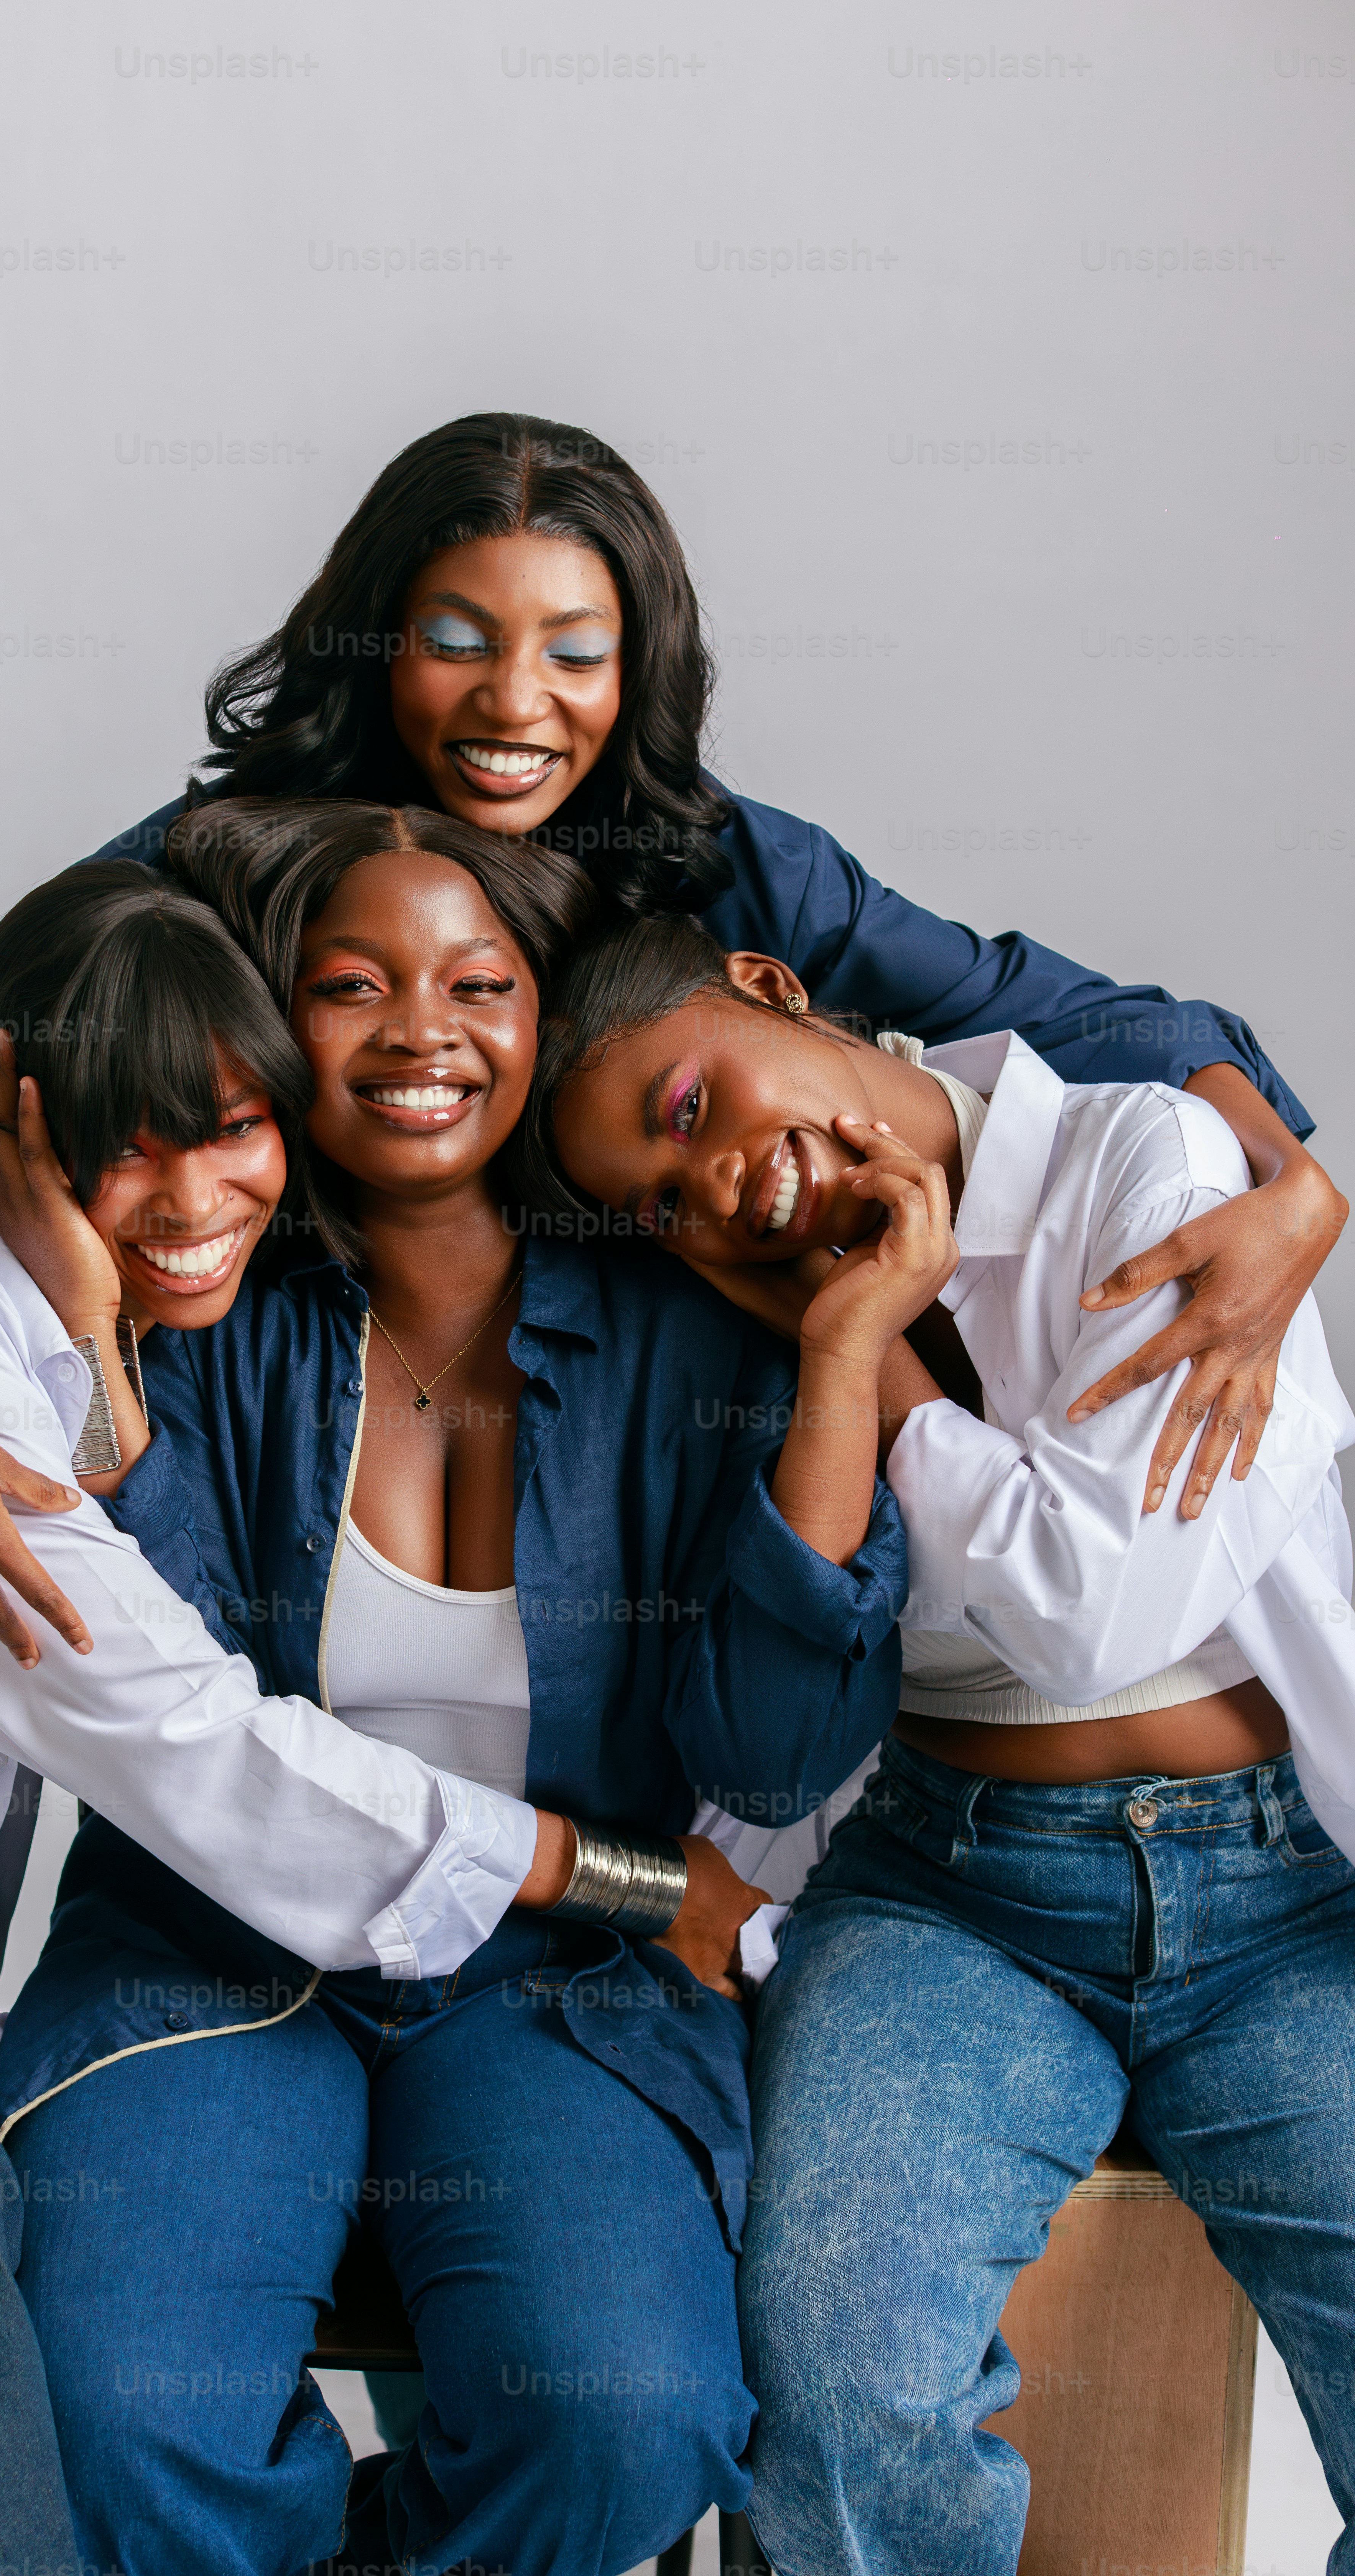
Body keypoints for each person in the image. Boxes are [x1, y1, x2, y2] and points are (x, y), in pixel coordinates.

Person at [0, 414, 1343, 1668]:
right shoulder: (215, 870)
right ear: (370, 637)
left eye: (575, 651)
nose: (514, 704)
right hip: (275, 1462)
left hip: (641, 1478)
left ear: (637, 669)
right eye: (459, 638)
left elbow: (1073, 1009)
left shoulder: (727, 865)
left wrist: (1291, 1184)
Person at [0, 798, 942, 2576]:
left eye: (478, 982)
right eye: (353, 985)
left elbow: (776, 1750)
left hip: (562, 1982)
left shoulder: (686, 1311)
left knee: (620, 2420)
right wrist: (90, 1318)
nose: (424, 1029)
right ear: (278, 1027)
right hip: (217, 1946)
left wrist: (840, 1360)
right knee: (114, 2415)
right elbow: (144, 1687)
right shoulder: (214, 1292)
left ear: (538, 1020)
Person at [0, 859, 621, 2576]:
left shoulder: (55, 1352)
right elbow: (190, 1743)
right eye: (129, 1145)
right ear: (13, 1129)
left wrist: (96, 1334)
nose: (193, 1195)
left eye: (235, 1128)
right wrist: (604, 1875)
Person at [532, 910, 1355, 2574]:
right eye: (663, 1203)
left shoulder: (1153, 1154)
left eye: (692, 1110)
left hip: (1282, 1896)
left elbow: (1088, 1606)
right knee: (837, 2392)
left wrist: (886, 1361)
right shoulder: (727, 1328)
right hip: (948, 1895)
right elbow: (765, 1736)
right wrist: (828, 1347)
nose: (719, 1194)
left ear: (764, 988)